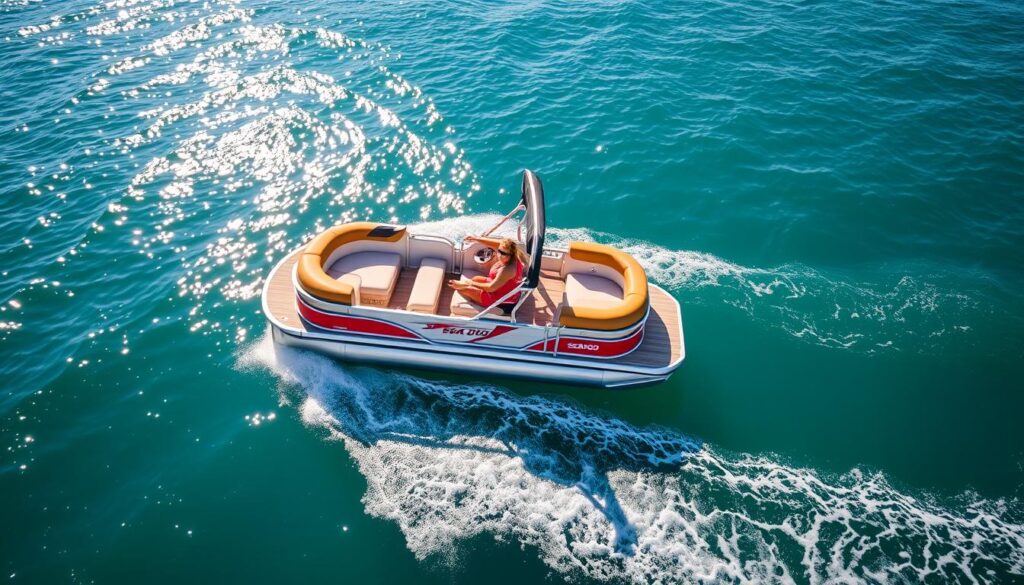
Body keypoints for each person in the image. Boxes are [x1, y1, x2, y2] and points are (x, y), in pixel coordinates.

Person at [448, 236, 524, 308]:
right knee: (475, 279)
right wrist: (477, 239)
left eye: (503, 253)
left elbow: (491, 288)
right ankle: (475, 294)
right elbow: (499, 244)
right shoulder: (514, 254)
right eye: (499, 251)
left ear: (510, 255)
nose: (499, 255)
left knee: (462, 289)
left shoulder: (507, 270)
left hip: (502, 301)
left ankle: (478, 304)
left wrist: (468, 283)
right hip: (500, 287)